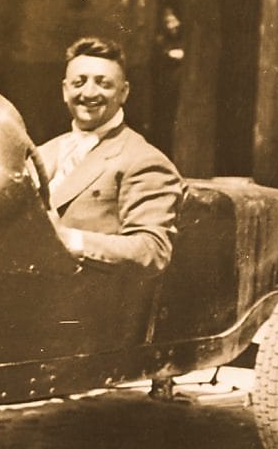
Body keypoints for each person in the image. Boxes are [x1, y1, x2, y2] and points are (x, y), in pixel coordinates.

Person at [39, 36, 185, 275]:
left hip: (85, 303)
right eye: (79, 83)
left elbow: (152, 249)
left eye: (103, 83)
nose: (89, 92)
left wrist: (68, 240)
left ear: (124, 92)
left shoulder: (143, 159)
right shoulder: (44, 152)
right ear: (65, 91)